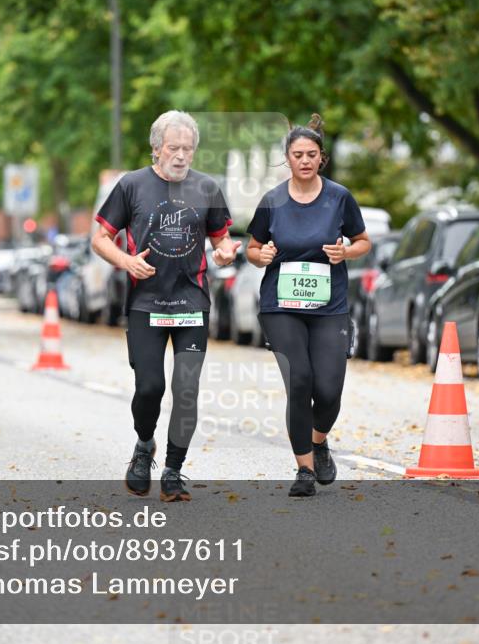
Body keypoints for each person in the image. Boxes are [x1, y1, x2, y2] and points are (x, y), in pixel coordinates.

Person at [91, 110, 239, 502]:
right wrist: (126, 261)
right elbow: (100, 238)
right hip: (146, 303)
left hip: (192, 302)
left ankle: (174, 469)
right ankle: (144, 446)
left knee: (186, 389)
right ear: (156, 148)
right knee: (150, 387)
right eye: (174, 148)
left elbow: (221, 239)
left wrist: (225, 254)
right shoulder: (132, 185)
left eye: (188, 149)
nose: (181, 156)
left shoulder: (207, 188)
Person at [245, 114, 371, 497]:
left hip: (329, 306)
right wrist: (261, 255)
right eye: (297, 154)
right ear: (287, 158)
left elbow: (363, 241)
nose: (304, 160)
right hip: (280, 306)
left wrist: (345, 251)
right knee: (299, 381)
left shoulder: (339, 197)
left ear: (321, 158)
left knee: (329, 390)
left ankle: (318, 441)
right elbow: (251, 248)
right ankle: (303, 469)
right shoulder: (272, 201)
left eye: (311, 154)